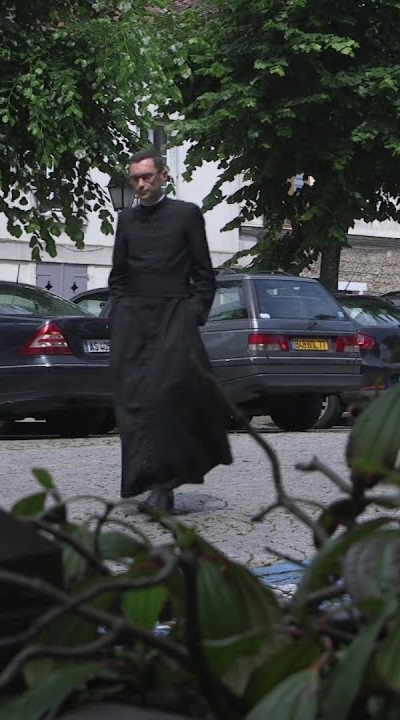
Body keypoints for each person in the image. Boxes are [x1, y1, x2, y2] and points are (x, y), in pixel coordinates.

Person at [108, 149, 233, 513]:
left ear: (163, 176)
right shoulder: (127, 220)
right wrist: (120, 310)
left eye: (146, 177)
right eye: (135, 178)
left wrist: (192, 314)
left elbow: (203, 274)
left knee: (168, 400)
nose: (140, 184)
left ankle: (166, 484)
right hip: (134, 321)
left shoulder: (186, 215)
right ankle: (145, 481)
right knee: (133, 404)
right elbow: (118, 275)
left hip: (174, 318)